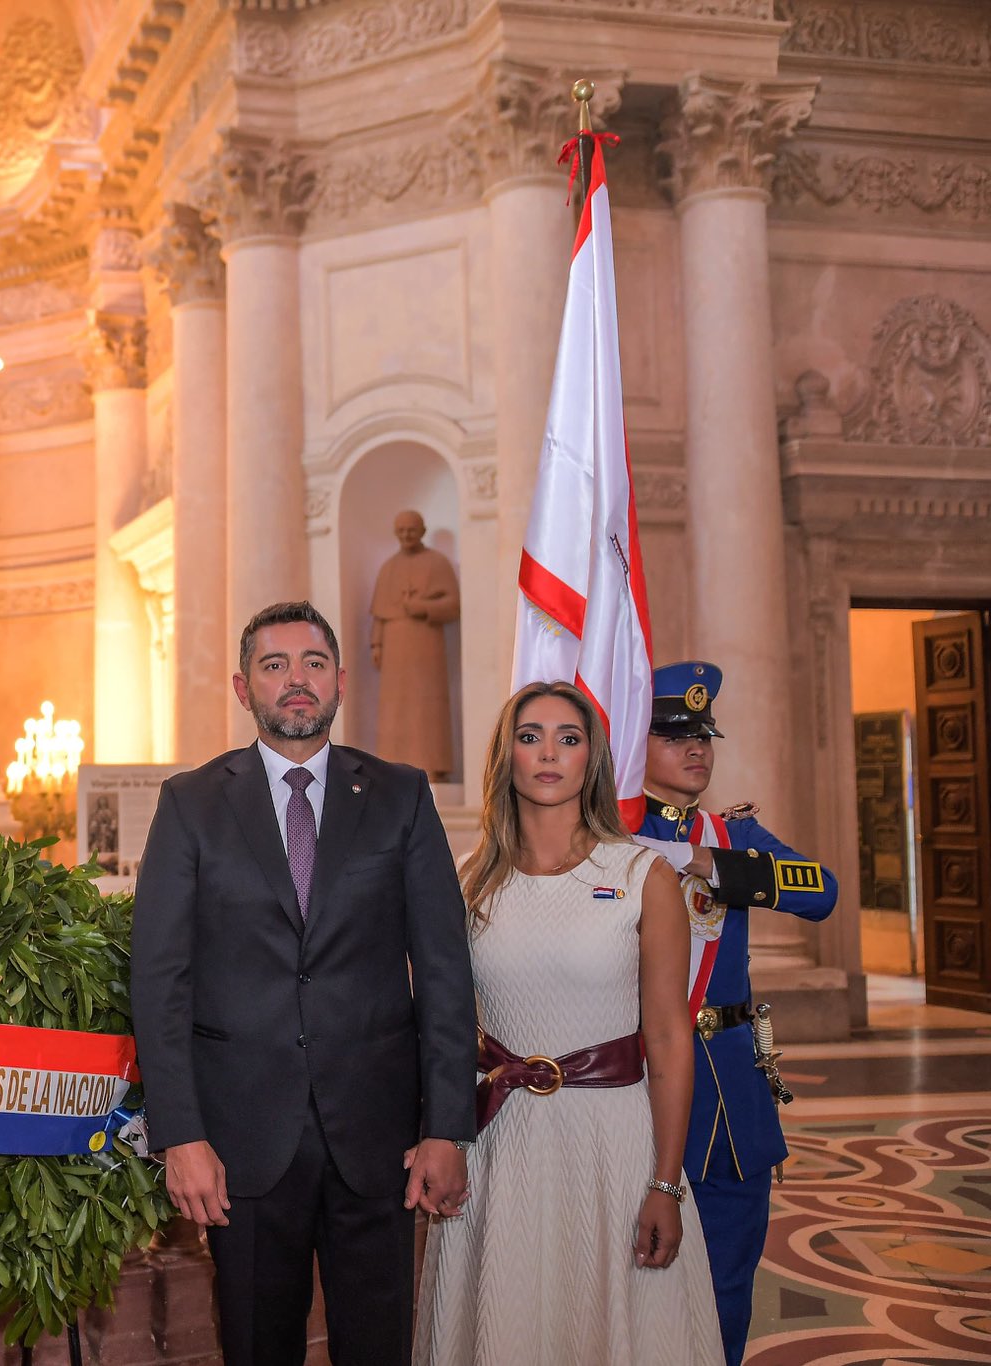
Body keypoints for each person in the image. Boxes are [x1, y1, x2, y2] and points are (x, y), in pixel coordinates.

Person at [130, 600, 475, 1365]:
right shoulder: (191, 804)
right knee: (256, 1346)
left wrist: (446, 1125)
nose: (296, 681)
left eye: (313, 663)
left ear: (341, 681)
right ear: (241, 685)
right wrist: (179, 1134)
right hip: (240, 1142)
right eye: (274, 665)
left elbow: (445, 969)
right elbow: (160, 982)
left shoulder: (401, 795)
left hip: (378, 1139)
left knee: (379, 1347)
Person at [413, 681, 720, 1364]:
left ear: (593, 760)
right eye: (530, 737)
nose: (548, 753)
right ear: (507, 758)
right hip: (499, 1146)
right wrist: (443, 1139)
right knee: (507, 1324)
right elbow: (447, 1031)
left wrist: (664, 1184)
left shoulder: (643, 875)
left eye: (568, 738)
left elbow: (669, 1041)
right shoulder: (468, 881)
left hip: (613, 1145)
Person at [631, 662, 839, 1366]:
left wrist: (709, 861)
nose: (696, 748)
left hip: (729, 1094)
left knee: (727, 1284)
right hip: (638, 1085)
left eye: (704, 735)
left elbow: (822, 892)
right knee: (634, 1283)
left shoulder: (733, 835)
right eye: (674, 735)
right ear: (635, 742)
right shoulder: (607, 834)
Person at [367, 509, 460, 779]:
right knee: (395, 708)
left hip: (426, 643)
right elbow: (379, 614)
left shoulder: (438, 563)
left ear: (422, 530)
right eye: (401, 531)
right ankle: (393, 767)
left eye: (411, 530)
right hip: (394, 649)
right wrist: (377, 644)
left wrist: (423, 606)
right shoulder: (388, 567)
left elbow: (453, 605)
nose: (406, 535)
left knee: (426, 706)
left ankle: (430, 766)